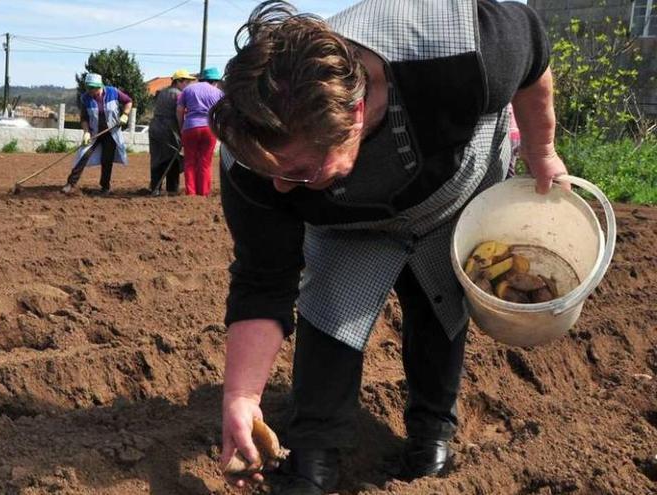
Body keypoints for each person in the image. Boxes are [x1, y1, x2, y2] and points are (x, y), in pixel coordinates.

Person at [211, 1, 568, 493]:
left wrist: (541, 149)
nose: (282, 189)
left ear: (355, 113)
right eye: (272, 171)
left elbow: (533, 51)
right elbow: (263, 278)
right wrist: (241, 396)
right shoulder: (252, 155)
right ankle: (313, 455)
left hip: (452, 186)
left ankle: (430, 436)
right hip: (348, 223)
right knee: (331, 307)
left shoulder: (458, 52)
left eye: (298, 171)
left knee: (437, 302)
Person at [62, 73, 133, 196]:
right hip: (94, 133)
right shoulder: (85, 98)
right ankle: (70, 183)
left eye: (91, 88)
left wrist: (125, 115)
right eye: (88, 88)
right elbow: (84, 118)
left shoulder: (113, 92)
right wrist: (86, 132)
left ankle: (105, 187)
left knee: (107, 159)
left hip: (111, 132)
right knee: (83, 155)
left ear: (99, 86)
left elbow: (128, 101)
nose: (89, 91)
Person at [148, 69, 197, 195]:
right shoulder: (179, 95)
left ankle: (155, 188)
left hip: (155, 127)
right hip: (168, 129)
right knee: (173, 158)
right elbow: (180, 113)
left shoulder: (162, 92)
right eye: (187, 82)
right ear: (179, 81)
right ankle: (172, 189)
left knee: (157, 158)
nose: (189, 85)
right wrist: (183, 129)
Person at [177, 67, 224, 196]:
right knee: (205, 162)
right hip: (209, 128)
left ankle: (191, 192)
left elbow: (180, 111)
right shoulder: (218, 93)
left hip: (190, 127)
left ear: (202, 78)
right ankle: (203, 192)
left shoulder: (188, 89)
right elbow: (222, 113)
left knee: (190, 161)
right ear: (215, 81)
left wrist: (182, 127)